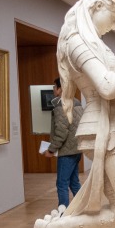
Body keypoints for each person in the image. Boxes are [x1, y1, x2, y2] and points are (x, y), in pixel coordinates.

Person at [22, 0, 115, 228]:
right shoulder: (77, 41)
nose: (114, 25)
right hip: (108, 133)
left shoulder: (94, 42)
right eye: (114, 16)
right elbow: (108, 88)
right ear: (97, 6)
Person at [43, 77, 82, 208]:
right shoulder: (77, 103)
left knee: (62, 183)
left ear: (61, 89)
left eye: (55, 87)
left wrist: (51, 150)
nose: (53, 89)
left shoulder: (61, 106)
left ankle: (63, 212)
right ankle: (82, 208)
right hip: (76, 149)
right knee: (74, 182)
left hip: (66, 152)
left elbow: (61, 132)